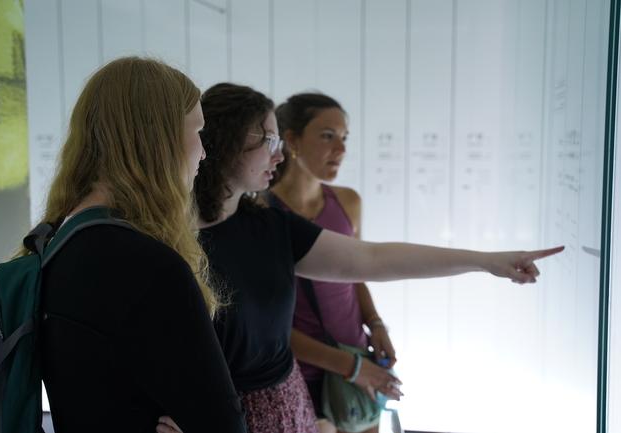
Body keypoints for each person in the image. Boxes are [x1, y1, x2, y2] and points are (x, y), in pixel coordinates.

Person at [168, 82, 562, 433]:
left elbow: (373, 259)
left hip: (287, 408)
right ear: (230, 139)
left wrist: (488, 261)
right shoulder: (170, 236)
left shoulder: (273, 225)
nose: (279, 155)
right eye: (269, 141)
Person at [34, 57, 246, 433]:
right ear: (158, 139)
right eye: (197, 131)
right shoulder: (149, 267)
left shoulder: (51, 240)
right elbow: (223, 424)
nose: (203, 151)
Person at [269, 92, 394, 433]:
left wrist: (377, 325)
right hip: (302, 375)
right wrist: (349, 366)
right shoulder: (262, 214)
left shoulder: (348, 202)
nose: (341, 150)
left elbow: (357, 276)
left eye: (344, 138)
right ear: (291, 139)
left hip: (357, 361)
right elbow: (266, 325)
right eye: (327, 136)